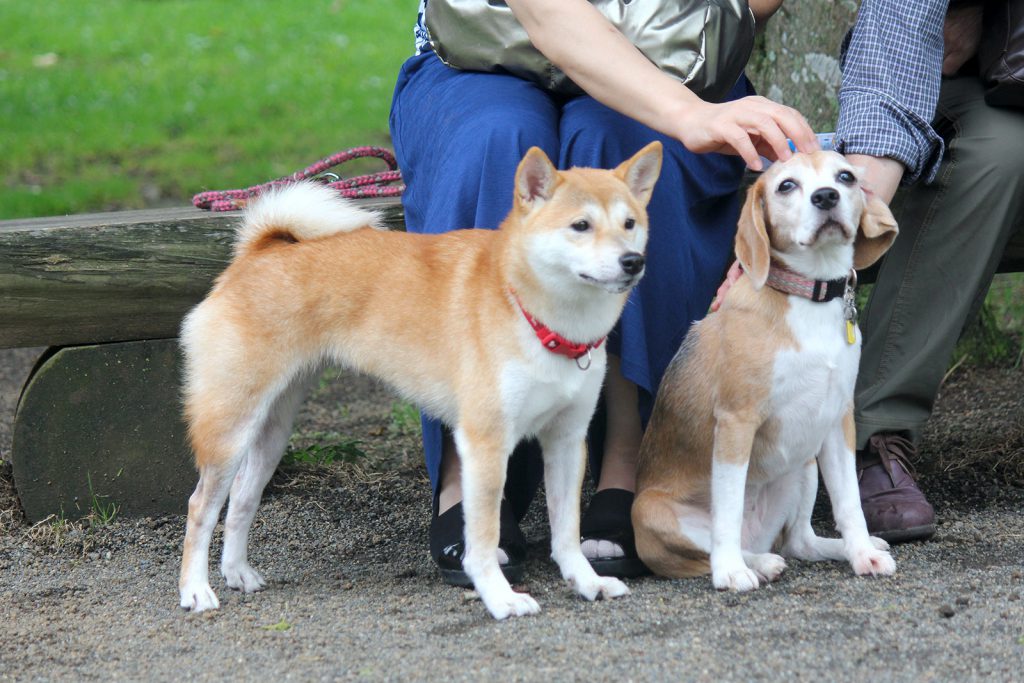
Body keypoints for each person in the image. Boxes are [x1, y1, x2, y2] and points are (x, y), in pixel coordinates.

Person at [389, 0, 818, 583]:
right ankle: (467, 469)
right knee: (497, 142)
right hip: (480, 61)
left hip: (668, 60)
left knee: (619, 146)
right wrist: (685, 112)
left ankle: (629, 456)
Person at [842, 0, 1024, 543]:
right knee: (1001, 153)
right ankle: (874, 430)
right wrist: (861, 207)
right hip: (976, 84)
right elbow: (895, 47)